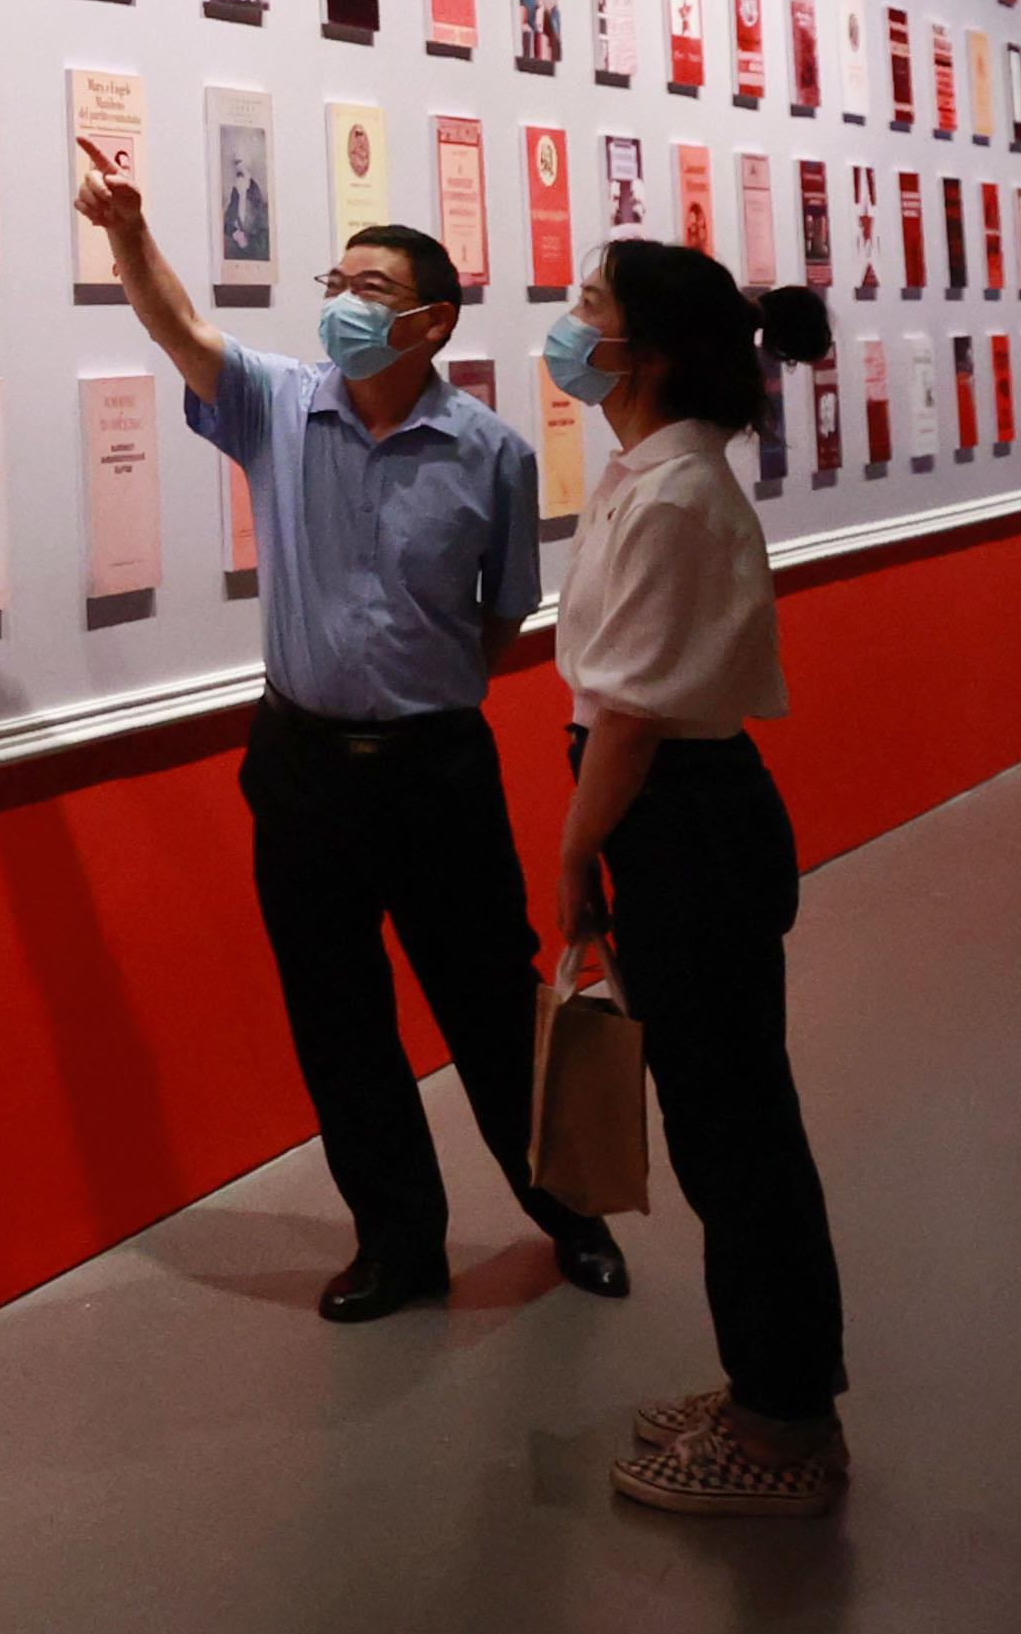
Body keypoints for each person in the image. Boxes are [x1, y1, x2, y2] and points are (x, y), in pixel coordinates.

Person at [73, 158, 627, 1320]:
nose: (342, 304)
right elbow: (179, 329)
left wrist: (412, 686)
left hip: (435, 770)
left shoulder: (489, 452)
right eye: (337, 283)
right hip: (302, 767)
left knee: (490, 1001)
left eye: (369, 289)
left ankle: (572, 1213)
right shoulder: (278, 406)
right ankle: (396, 1242)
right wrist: (127, 235)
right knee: (335, 1018)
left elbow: (499, 615)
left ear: (430, 322)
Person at [545, 238, 854, 1518]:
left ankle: (782, 1426)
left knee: (735, 1137)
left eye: (590, 305)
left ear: (650, 351)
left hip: (680, 822)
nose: (568, 324)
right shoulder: (656, 475)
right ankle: (760, 1390)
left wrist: (572, 856)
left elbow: (625, 718)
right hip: (674, 818)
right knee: (724, 1124)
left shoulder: (673, 495)